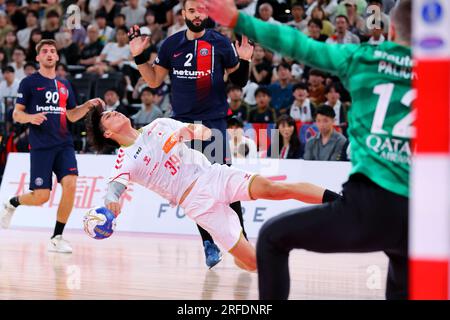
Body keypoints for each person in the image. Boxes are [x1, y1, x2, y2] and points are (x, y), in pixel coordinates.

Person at [200, 0, 412, 300]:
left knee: (272, 238)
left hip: (370, 205)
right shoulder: (441, 70)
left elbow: (298, 44)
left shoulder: (364, 58)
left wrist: (237, 19)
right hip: (423, 215)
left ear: (390, 29)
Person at [85, 107, 342, 271]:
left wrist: (191, 132)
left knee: (273, 188)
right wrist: (112, 203)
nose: (115, 112)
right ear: (107, 134)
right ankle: (242, 254)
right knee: (252, 263)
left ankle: (340, 202)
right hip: (196, 205)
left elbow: (204, 131)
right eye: (108, 116)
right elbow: (113, 189)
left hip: (212, 176)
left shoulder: (159, 126)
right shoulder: (124, 159)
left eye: (113, 111)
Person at [126, 0, 254, 269]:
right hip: (181, 126)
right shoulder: (171, 44)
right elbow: (153, 80)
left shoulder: (219, 43)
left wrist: (244, 59)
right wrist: (139, 57)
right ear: (183, 14)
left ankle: (242, 239)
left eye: (201, 10)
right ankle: (208, 243)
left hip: (213, 122)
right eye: (192, 10)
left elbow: (239, 82)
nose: (197, 15)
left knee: (226, 184)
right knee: (194, 186)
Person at [0, 39, 106, 253]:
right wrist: (31, 118)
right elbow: (16, 114)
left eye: (53, 51)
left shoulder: (65, 85)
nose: (49, 54)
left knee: (71, 183)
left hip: (64, 144)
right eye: (45, 51)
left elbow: (71, 115)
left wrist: (86, 106)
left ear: (57, 57)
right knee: (41, 196)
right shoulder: (29, 83)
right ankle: (12, 202)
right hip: (41, 146)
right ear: (38, 57)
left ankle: (57, 236)